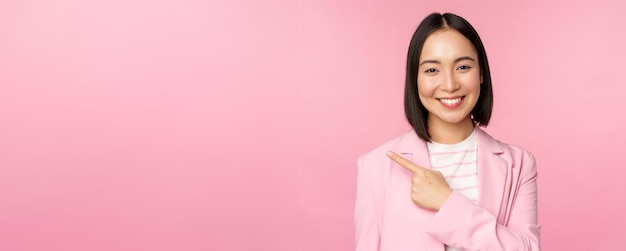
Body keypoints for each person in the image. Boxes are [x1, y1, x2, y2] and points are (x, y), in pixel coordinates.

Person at [354, 13, 541, 251]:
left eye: (463, 67)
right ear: (415, 79)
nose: (450, 84)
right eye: (432, 70)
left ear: (481, 73)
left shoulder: (520, 164)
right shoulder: (375, 167)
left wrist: (447, 203)